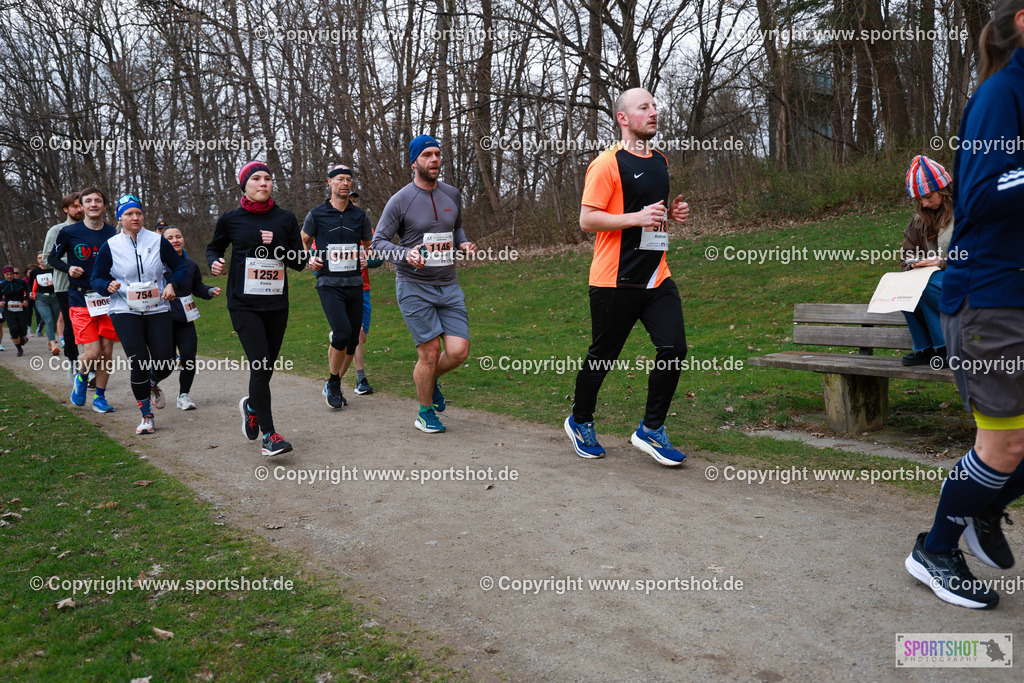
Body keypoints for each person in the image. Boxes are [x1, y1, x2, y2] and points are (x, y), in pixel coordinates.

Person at [905, 0, 1024, 610]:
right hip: (990, 302)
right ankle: (936, 548)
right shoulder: (1001, 95)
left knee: (1009, 451)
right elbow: (979, 195)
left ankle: (985, 503)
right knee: (1002, 446)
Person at [564, 88, 691, 466]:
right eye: (644, 107)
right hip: (614, 281)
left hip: (657, 276)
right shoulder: (606, 164)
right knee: (602, 357)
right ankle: (580, 420)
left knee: (674, 349)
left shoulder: (660, 160)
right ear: (623, 118)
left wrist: (672, 214)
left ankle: (651, 428)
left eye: (655, 105)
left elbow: (651, 212)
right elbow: (587, 220)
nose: (654, 112)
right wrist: (636, 218)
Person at [371, 135, 476, 433]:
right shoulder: (401, 200)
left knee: (459, 351)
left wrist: (463, 243)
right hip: (413, 285)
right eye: (427, 155)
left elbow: (456, 228)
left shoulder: (452, 194)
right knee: (429, 353)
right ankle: (425, 412)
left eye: (437, 154)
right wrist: (405, 254)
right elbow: (378, 242)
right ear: (414, 162)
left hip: (448, 284)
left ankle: (429, 378)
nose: (434, 160)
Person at [207, 161, 306, 456]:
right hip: (243, 304)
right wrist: (214, 261)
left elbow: (299, 262)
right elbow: (214, 247)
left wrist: (276, 246)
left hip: (276, 304)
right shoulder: (231, 219)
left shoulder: (285, 219)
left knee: (266, 367)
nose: (263, 183)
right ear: (244, 185)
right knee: (260, 365)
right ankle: (269, 435)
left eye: (268, 178)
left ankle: (252, 405)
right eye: (257, 179)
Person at [91, 195, 188, 434]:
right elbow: (96, 278)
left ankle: (153, 382)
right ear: (120, 218)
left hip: (157, 307)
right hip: (124, 309)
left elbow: (181, 267)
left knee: (166, 361)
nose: (135, 217)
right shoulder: (111, 245)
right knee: (139, 361)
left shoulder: (157, 240)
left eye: (139, 213)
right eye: (129, 214)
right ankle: (147, 416)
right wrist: (106, 286)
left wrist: (172, 284)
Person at [302, 164, 374, 409]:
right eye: (340, 179)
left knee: (353, 340)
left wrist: (367, 257)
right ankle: (333, 383)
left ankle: (334, 383)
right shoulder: (317, 214)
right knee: (342, 333)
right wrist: (308, 258)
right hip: (328, 283)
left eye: (349, 180)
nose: (345, 183)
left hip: (355, 283)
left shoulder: (359, 215)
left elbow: (371, 245)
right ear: (329, 182)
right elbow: (302, 240)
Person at [49, 187, 118, 413]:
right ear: (82, 206)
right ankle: (81, 378)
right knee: (93, 352)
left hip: (108, 299)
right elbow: (52, 258)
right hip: (80, 298)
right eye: (88, 201)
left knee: (106, 353)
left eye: (98, 200)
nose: (93, 204)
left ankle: (100, 398)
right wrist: (68, 268)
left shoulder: (114, 233)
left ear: (104, 206)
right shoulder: (69, 232)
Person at [899, 156, 953, 367]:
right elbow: (906, 255)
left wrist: (941, 262)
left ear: (944, 189)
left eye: (929, 196)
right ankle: (924, 348)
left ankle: (946, 347)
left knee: (926, 285)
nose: (924, 204)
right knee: (904, 287)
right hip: (933, 279)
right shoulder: (919, 220)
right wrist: (912, 264)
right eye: (919, 199)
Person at [162, 225, 221, 410]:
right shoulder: (157, 264)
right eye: (170, 238)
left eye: (178, 236)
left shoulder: (191, 265)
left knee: (188, 356)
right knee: (165, 362)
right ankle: (152, 382)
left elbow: (197, 288)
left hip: (185, 318)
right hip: (163, 319)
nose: (175, 240)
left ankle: (184, 396)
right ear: (163, 242)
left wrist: (209, 291)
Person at [342, 191, 381, 395]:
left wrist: (368, 262)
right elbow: (315, 255)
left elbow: (378, 257)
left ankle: (339, 336)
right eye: (348, 201)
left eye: (354, 201)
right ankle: (361, 379)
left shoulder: (364, 228)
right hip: (340, 288)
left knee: (361, 337)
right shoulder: (330, 227)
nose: (352, 204)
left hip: (362, 288)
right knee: (356, 334)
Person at [43, 192, 85, 378]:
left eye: (81, 205)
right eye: (75, 206)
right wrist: (72, 265)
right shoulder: (57, 230)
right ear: (66, 209)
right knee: (71, 325)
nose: (79, 209)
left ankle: (91, 364)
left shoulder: (90, 229)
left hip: (91, 287)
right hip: (65, 286)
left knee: (92, 326)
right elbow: (47, 259)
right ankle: (73, 362)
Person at [30, 252, 61, 355]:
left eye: (43, 257)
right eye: (39, 258)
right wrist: (30, 292)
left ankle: (50, 340)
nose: (41, 259)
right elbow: (30, 284)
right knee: (49, 320)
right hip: (41, 299)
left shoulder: (54, 270)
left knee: (54, 321)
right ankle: (53, 345)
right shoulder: (35, 272)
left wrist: (54, 283)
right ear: (37, 260)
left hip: (54, 298)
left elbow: (61, 282)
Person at [0, 266, 30, 356]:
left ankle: (22, 337)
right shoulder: (2, 284)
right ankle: (19, 349)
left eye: (11, 274)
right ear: (4, 275)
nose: (9, 276)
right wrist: (0, 302)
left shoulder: (21, 283)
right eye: (7, 274)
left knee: (22, 328)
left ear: (13, 274)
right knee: (13, 329)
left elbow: (29, 292)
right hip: (8, 309)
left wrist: (26, 300)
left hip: (21, 308)